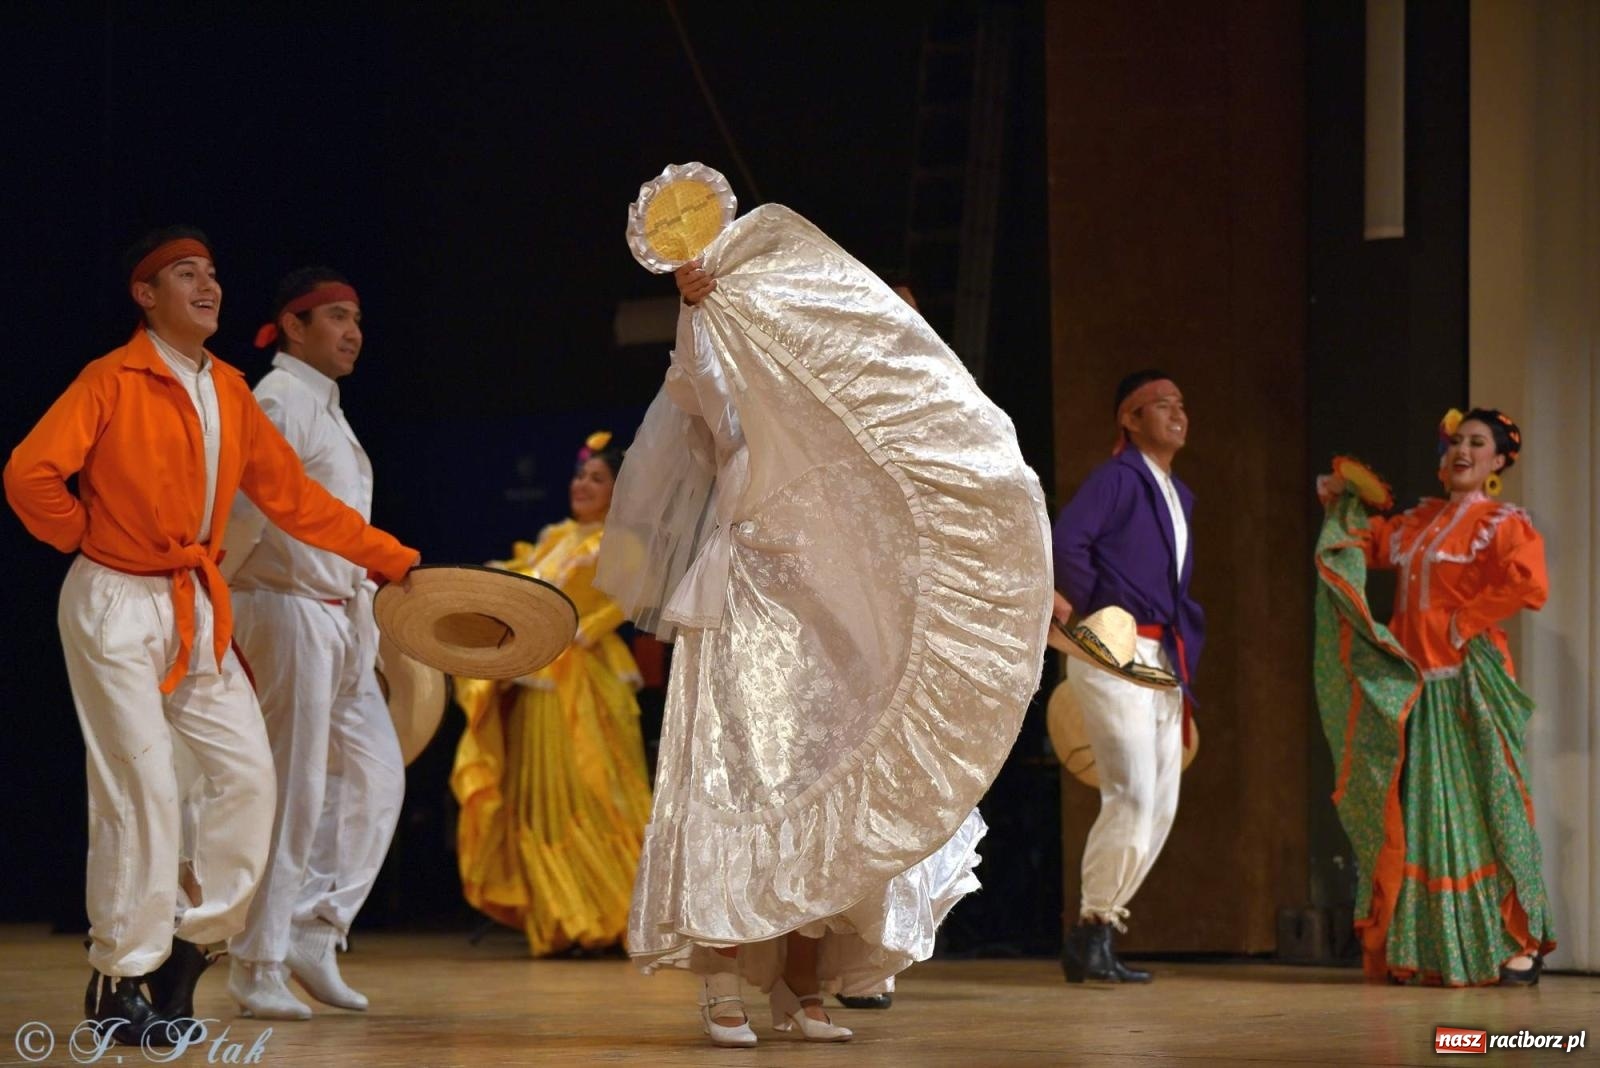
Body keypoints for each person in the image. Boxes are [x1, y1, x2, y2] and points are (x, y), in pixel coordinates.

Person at [598, 203, 1051, 1049]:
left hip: (830, 614)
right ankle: (723, 980)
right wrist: (698, 307)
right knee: (739, 784)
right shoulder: (756, 376)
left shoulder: (882, 423)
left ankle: (800, 986)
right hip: (749, 601)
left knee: (825, 781)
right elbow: (704, 390)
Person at [3, 228, 418, 1046]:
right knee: (140, 785)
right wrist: (87, 536)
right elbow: (29, 473)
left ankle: (188, 953)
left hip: (193, 599)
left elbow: (296, 500)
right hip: (116, 597)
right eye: (185, 274)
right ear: (145, 294)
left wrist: (392, 558)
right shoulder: (111, 379)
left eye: (213, 273)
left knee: (249, 782)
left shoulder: (228, 388)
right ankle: (121, 973)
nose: (208, 285)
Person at [219, 268, 405, 1018]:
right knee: (294, 789)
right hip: (284, 607)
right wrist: (218, 604)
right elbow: (244, 513)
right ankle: (255, 959)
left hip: (340, 612)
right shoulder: (279, 399)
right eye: (335, 317)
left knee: (376, 776)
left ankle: (313, 928)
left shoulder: (324, 406)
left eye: (356, 318)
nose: (353, 332)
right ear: (293, 327)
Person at [1314, 408, 1555, 986]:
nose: (1462, 451)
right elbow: (1363, 544)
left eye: (1477, 443)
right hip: (1415, 686)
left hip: (1468, 681)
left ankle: (1517, 942)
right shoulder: (1416, 522)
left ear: (1498, 461)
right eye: (1456, 442)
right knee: (1420, 812)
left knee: (1484, 807)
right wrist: (1342, 503)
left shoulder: (1500, 522)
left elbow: (1529, 582)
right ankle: (1428, 945)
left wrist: (1464, 620)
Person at [451, 432, 651, 957]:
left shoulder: (620, 542)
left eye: (597, 478)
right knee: (541, 794)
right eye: (581, 475)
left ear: (618, 490)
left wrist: (584, 630)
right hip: (540, 675)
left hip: (587, 677)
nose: (582, 484)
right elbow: (526, 584)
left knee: (593, 789)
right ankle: (563, 917)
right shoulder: (555, 536)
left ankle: (611, 912)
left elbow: (628, 599)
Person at [1051, 370, 1202, 984]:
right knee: (1132, 792)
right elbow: (1067, 541)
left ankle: (1100, 929)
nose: (1177, 414)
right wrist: (1089, 611)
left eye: (1181, 404)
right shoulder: (1117, 478)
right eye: (1161, 405)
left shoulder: (1178, 493)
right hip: (1114, 647)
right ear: (1130, 419)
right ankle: (1091, 928)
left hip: (1159, 655)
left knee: (1161, 800)